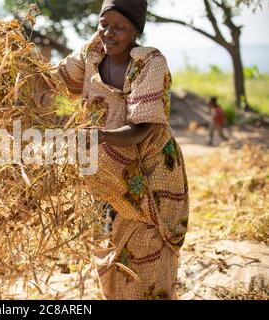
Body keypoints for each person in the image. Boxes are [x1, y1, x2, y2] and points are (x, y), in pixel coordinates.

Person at [36, 0, 189, 300]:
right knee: (110, 257)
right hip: (105, 179)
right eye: (104, 25)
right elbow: (52, 81)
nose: (109, 33)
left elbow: (142, 128)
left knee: (148, 256)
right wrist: (12, 70)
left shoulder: (149, 62)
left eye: (120, 27)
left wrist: (100, 136)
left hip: (150, 180)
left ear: (135, 30)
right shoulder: (91, 54)